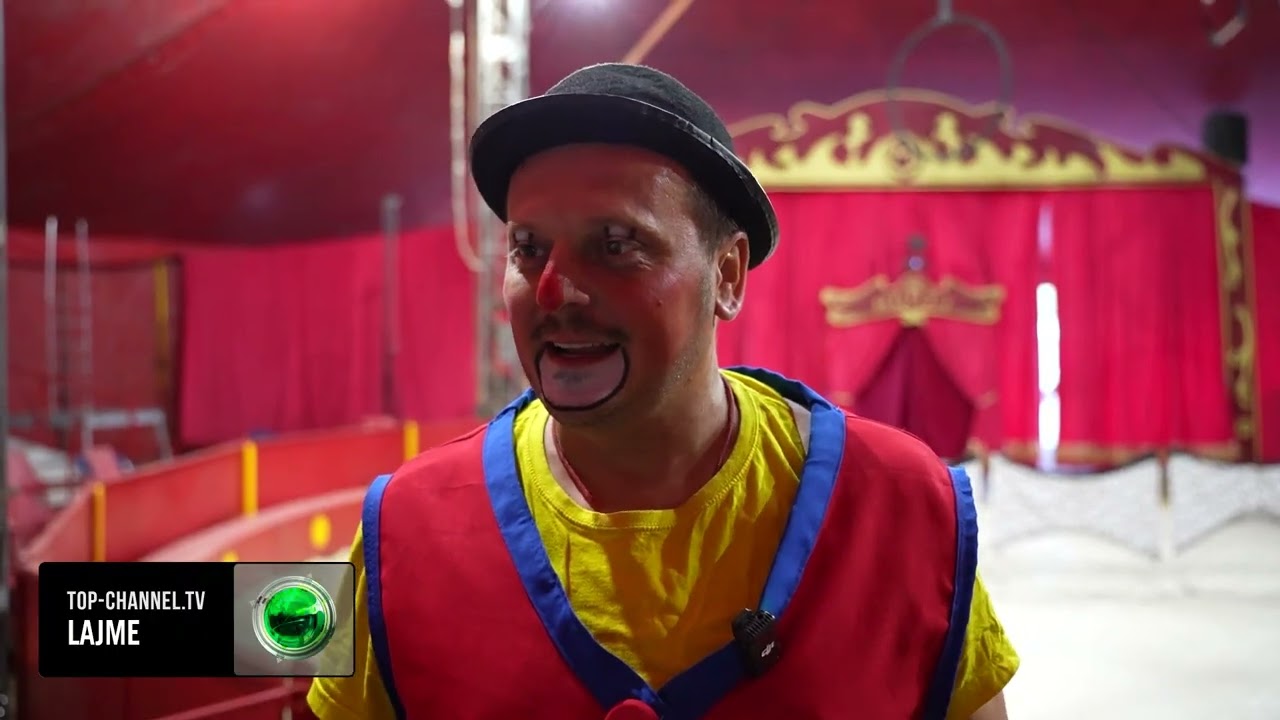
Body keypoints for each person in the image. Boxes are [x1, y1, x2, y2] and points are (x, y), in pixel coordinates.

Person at [307, 63, 1018, 720]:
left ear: (727, 276)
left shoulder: (904, 507)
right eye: (528, 248)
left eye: (616, 244)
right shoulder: (400, 533)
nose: (554, 291)